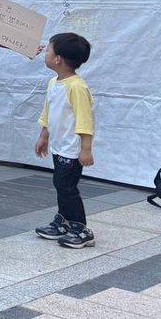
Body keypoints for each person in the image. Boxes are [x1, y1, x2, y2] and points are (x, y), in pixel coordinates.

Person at [33, 33, 96, 249]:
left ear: (58, 58)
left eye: (48, 50)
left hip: (72, 150)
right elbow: (48, 112)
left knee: (66, 187)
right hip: (59, 147)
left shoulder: (76, 87)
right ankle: (63, 221)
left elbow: (85, 119)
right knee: (61, 185)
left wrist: (85, 149)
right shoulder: (54, 82)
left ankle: (80, 228)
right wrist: (44, 136)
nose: (45, 53)